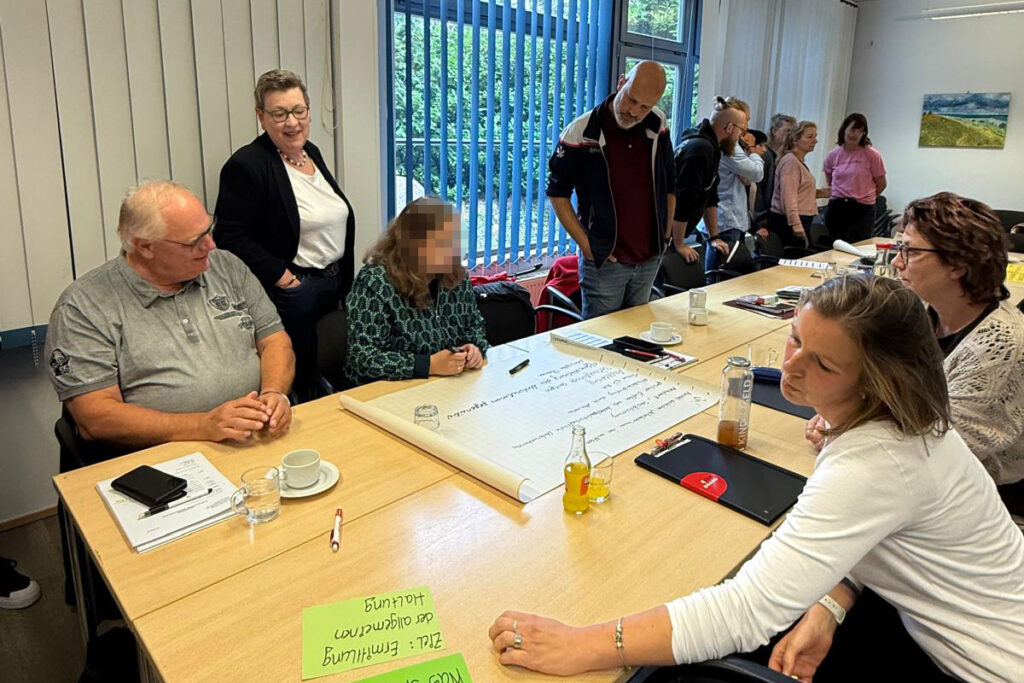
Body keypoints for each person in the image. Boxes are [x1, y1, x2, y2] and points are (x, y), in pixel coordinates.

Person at [488, 274, 1024, 681]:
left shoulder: (878, 461)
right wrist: (831, 599)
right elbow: (883, 528)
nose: (791, 369)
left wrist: (586, 644)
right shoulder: (906, 424)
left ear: (877, 380)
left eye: (825, 366)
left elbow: (745, 611)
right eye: (795, 340)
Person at [45, 181, 294, 451]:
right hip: (158, 458)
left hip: (254, 440)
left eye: (208, 230)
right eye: (194, 241)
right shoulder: (83, 307)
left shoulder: (226, 267)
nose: (210, 245)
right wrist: (202, 426)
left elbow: (274, 340)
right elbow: (96, 417)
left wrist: (274, 392)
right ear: (145, 247)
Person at [215, 69, 356, 402]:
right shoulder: (247, 164)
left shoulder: (313, 153)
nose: (291, 122)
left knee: (332, 368)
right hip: (295, 292)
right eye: (279, 114)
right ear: (261, 117)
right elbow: (229, 236)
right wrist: (282, 276)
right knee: (304, 384)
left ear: (308, 109)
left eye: (298, 111)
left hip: (333, 283)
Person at [889, 193, 1024, 494]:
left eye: (910, 252)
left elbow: (941, 451)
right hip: (925, 467)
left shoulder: (998, 346)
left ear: (958, 264)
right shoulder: (931, 313)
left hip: (983, 490)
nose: (897, 262)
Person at [546, 61, 675, 319]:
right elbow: (557, 193)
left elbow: (669, 183)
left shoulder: (657, 123)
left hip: (649, 257)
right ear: (621, 83)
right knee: (600, 346)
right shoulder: (581, 131)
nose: (635, 112)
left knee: (638, 338)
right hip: (606, 261)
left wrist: (666, 235)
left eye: (645, 106)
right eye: (631, 100)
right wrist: (587, 245)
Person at [344, 197, 488, 385]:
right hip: (387, 390)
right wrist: (428, 364)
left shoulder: (456, 277)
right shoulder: (376, 282)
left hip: (448, 385)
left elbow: (474, 325)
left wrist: (474, 348)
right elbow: (363, 357)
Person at [671, 97, 750, 266]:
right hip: (666, 234)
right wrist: (679, 244)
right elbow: (684, 199)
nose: (740, 136)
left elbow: (710, 196)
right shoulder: (701, 149)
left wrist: (715, 237)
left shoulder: (712, 148)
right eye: (741, 130)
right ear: (729, 127)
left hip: (676, 232)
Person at [705, 109, 764, 272]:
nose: (746, 129)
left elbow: (746, 178)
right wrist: (753, 149)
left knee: (731, 270)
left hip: (729, 216)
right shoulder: (729, 146)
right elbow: (756, 174)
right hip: (726, 217)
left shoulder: (734, 145)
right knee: (722, 272)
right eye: (745, 122)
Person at [822, 113, 887, 243]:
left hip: (862, 208)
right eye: (852, 129)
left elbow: (881, 183)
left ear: (864, 134)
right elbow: (830, 181)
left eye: (860, 131)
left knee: (858, 245)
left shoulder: (872, 155)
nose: (855, 134)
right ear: (844, 129)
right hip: (838, 206)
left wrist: (865, 196)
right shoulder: (833, 155)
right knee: (834, 244)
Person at [769, 121, 828, 248]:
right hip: (790, 223)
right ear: (796, 139)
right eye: (810, 137)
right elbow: (788, 197)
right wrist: (796, 224)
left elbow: (799, 192)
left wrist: (821, 193)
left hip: (800, 219)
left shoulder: (798, 162)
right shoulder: (790, 162)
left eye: (815, 136)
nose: (815, 141)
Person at [753, 113, 795, 233]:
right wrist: (760, 215)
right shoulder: (765, 155)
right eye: (787, 131)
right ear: (774, 131)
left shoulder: (786, 157)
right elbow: (759, 188)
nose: (790, 136)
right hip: (764, 215)